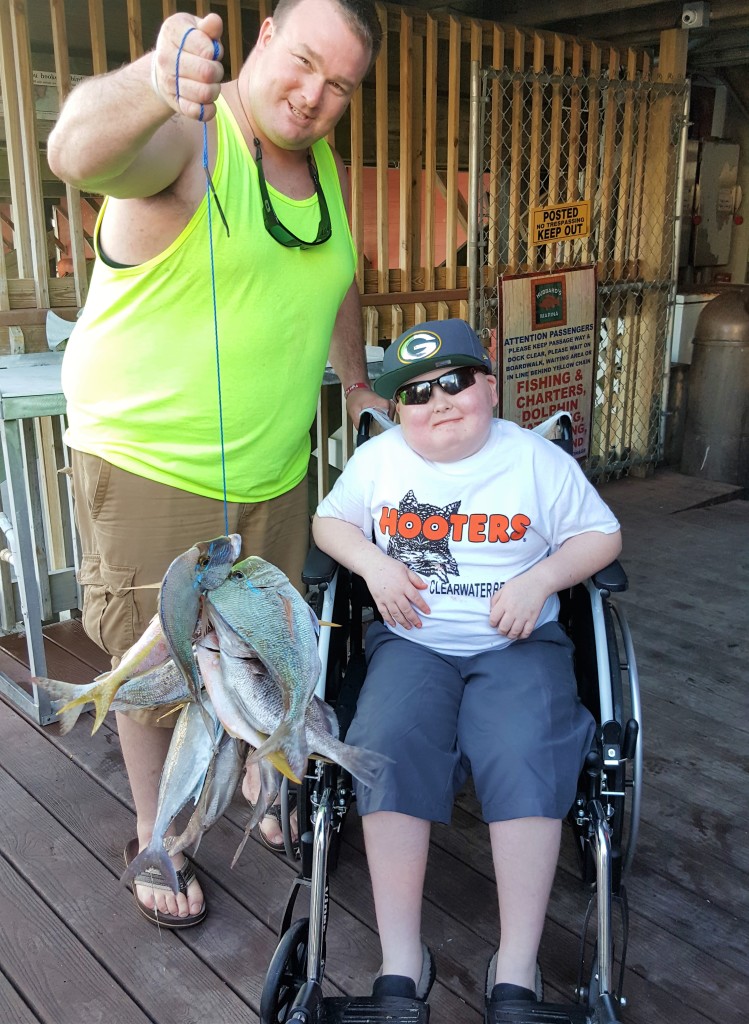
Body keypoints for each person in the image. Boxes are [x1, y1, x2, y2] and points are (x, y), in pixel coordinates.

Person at [46, 0, 388, 928]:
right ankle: (159, 834)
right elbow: (79, 150)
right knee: (157, 667)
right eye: (303, 61)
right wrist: (154, 85)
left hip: (273, 468)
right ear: (265, 35)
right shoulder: (187, 143)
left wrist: (356, 384)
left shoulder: (314, 163)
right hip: (154, 463)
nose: (314, 96)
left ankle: (247, 777)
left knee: (260, 648)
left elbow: (338, 273)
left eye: (340, 85)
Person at [312, 319, 622, 1017]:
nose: (438, 401)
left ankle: (514, 966)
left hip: (517, 646)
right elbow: (329, 525)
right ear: (395, 411)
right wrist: (371, 561)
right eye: (416, 393)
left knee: (524, 748)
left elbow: (602, 534)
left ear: (489, 386)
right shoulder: (381, 461)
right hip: (412, 642)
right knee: (384, 743)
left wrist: (541, 579)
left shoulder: (534, 461)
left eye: (454, 381)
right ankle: (401, 959)